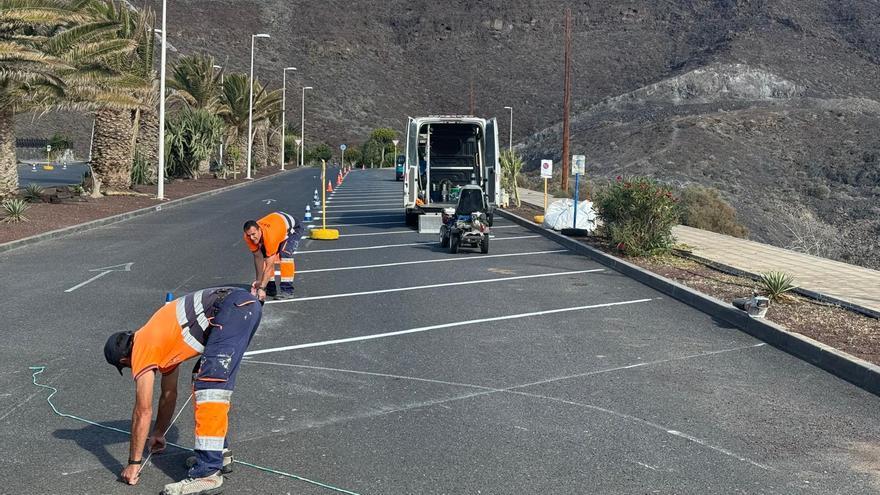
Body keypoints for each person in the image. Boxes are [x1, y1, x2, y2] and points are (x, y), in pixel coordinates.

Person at [104, 287, 262, 495]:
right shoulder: (158, 341)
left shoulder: (142, 347)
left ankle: (206, 474)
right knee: (202, 379)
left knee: (210, 386)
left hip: (232, 309)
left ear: (124, 359)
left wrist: (134, 463)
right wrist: (159, 433)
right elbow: (168, 395)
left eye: (127, 366)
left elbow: (143, 411)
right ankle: (217, 454)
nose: (133, 368)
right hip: (239, 308)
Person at [242, 211, 303, 301]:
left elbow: (269, 265)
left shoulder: (270, 238)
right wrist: (259, 281)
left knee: (284, 254)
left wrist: (261, 288)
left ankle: (287, 290)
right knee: (264, 255)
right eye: (249, 235)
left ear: (259, 230)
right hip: (277, 224)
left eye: (253, 234)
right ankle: (271, 288)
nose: (251, 238)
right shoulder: (248, 236)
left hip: (293, 228)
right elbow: (258, 257)